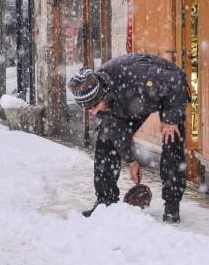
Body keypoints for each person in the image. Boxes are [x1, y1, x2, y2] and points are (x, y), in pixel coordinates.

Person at [67, 53, 189, 223]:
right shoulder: (103, 105)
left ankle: (172, 204)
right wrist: (131, 161)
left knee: (172, 140)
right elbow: (117, 132)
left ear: (103, 93)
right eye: (88, 109)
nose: (94, 112)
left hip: (167, 95)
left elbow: (176, 81)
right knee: (106, 140)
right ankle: (105, 202)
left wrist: (171, 119)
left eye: (94, 105)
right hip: (131, 103)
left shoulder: (138, 73)